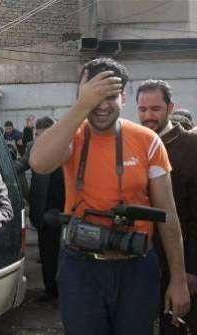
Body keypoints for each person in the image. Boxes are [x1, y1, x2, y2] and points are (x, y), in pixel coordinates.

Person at [29, 58, 190, 335]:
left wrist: (178, 279)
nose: (102, 106)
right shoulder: (73, 135)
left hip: (137, 269)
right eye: (94, 95)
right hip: (81, 268)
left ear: (124, 97)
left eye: (110, 96)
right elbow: (39, 163)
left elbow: (168, 216)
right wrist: (81, 105)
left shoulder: (147, 141)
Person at [137, 79, 197, 334]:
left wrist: (189, 271)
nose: (148, 116)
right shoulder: (135, 145)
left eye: (156, 109)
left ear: (170, 108)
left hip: (182, 267)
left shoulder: (191, 147)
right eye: (143, 109)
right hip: (142, 265)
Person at [15, 116, 65, 301]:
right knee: (47, 252)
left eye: (45, 135)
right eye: (38, 135)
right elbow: (21, 164)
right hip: (41, 210)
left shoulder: (65, 146)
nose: (41, 139)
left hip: (62, 208)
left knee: (60, 253)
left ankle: (60, 291)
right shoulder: (32, 147)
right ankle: (51, 290)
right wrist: (3, 170)